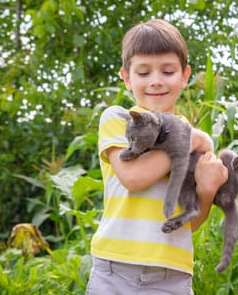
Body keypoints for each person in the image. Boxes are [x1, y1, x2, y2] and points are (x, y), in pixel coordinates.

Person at [86, 19, 228, 294]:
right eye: (143, 72)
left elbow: (190, 223)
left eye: (167, 71)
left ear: (184, 76)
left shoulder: (191, 138)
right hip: (114, 269)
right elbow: (133, 177)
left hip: (171, 275)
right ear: (127, 78)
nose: (156, 81)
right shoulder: (121, 120)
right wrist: (187, 139)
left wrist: (208, 190)